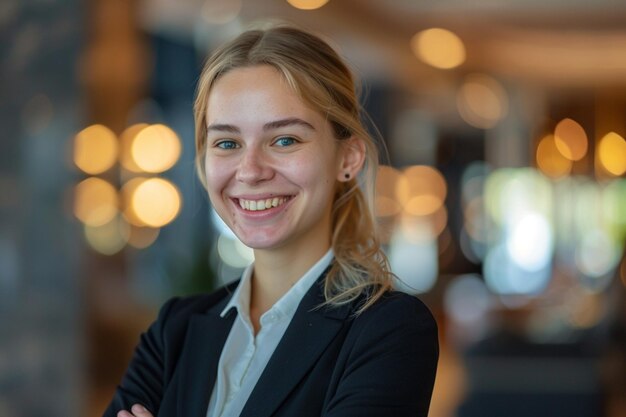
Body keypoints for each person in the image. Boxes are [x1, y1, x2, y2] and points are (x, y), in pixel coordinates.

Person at [104, 25, 438, 417]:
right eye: (227, 143)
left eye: (284, 140)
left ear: (348, 158)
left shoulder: (388, 332)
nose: (250, 170)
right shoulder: (174, 331)